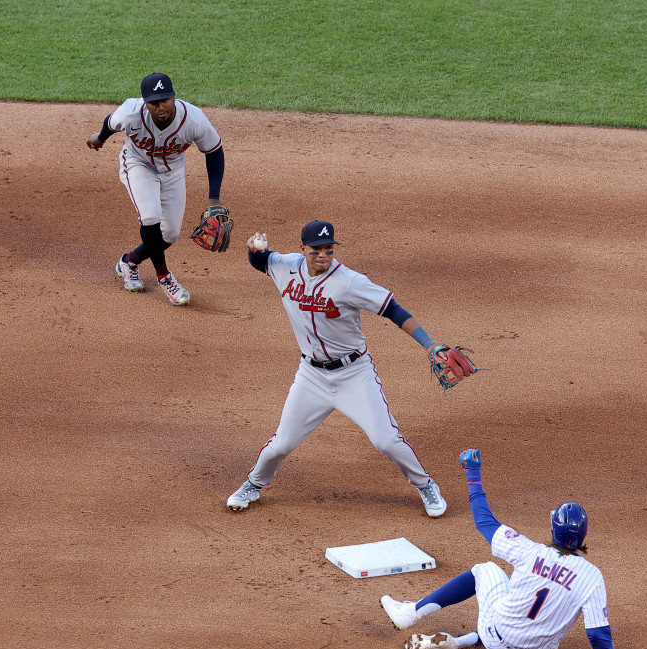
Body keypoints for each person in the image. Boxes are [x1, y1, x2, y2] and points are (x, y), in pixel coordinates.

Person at [225, 220, 454, 517]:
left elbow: (394, 310)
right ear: (302, 248)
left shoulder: (350, 281)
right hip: (311, 376)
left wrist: (429, 344)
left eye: (328, 249)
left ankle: (425, 485)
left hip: (354, 374)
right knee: (281, 444)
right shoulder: (287, 266)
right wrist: (253, 248)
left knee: (386, 440)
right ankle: (253, 484)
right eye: (316, 249)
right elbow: (261, 261)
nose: (323, 254)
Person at [380, 448, 646, 649]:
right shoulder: (592, 577)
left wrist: (473, 474)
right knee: (533, 620)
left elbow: (485, 522)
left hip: (497, 636)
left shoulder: (529, 551)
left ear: (553, 531)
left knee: (485, 570)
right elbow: (598, 633)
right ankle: (461, 642)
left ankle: (409, 614)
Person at [86, 72, 225, 306]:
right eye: (153, 102)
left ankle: (129, 261)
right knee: (150, 217)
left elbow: (214, 151)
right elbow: (111, 123)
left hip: (172, 172)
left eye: (165, 100)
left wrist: (214, 198)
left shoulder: (194, 119)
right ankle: (164, 277)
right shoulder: (131, 112)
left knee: (170, 234)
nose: (161, 107)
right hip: (137, 164)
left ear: (174, 97)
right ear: (145, 102)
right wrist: (100, 138)